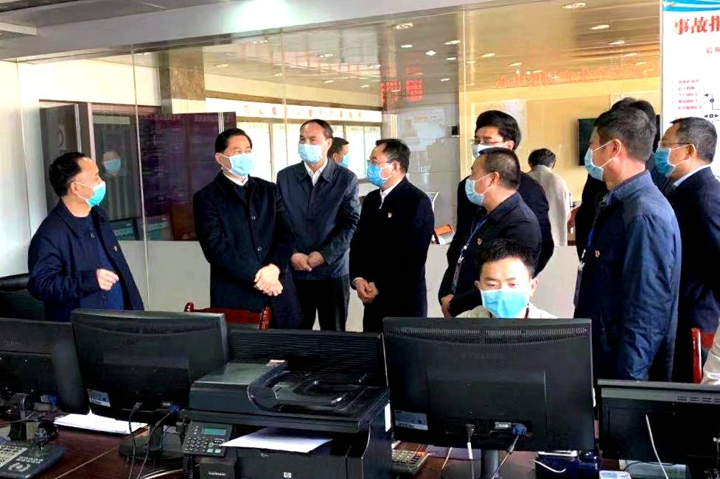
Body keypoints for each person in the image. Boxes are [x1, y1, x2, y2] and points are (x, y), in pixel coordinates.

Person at [574, 106, 681, 381]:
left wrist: (629, 385)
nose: (590, 154)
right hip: (603, 355)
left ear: (613, 148)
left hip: (622, 370)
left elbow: (647, 309)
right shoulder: (618, 202)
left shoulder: (643, 214)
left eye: (593, 145)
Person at [194, 128, 301, 328]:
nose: (244, 155)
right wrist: (259, 276)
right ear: (220, 158)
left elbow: (286, 235)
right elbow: (216, 249)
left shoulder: (269, 190)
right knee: (245, 346)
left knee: (288, 344)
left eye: (248, 150)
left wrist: (274, 269)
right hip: (237, 294)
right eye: (237, 151)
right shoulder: (207, 198)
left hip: (279, 289)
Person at [28, 152, 143, 321]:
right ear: (76, 188)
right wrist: (89, 280)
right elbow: (41, 285)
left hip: (122, 321)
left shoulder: (98, 216)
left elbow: (120, 268)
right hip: (85, 329)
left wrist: (137, 312)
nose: (101, 182)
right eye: (95, 177)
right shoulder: (50, 233)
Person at [277, 120, 360, 331]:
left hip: (332, 271)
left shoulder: (346, 179)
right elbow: (279, 221)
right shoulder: (285, 177)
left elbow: (351, 223)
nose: (306, 144)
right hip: (295, 270)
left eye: (313, 140)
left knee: (333, 335)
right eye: (302, 139)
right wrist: (292, 254)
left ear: (328, 143)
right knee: (295, 334)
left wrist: (324, 255)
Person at [439, 148, 542, 318]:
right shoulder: (482, 214)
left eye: (473, 174)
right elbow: (460, 256)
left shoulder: (520, 224)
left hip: (488, 318)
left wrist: (455, 304)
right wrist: (446, 295)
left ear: (493, 179)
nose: (469, 180)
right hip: (463, 312)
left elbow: (501, 279)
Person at [656, 117, 720, 382]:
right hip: (680, 316)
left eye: (666, 144)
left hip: (695, 322)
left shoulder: (705, 198)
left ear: (689, 151)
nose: (659, 151)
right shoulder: (680, 190)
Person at [349, 139, 434, 333]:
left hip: (403, 300)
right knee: (374, 347)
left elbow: (413, 256)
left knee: (402, 350)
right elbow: (359, 242)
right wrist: (358, 278)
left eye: (374, 162)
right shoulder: (371, 200)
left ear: (395, 166)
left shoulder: (416, 201)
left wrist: (379, 285)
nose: (370, 167)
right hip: (371, 299)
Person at [456, 111, 553, 274]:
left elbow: (542, 246)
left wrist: (517, 280)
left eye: (487, 141)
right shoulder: (468, 185)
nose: (479, 147)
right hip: (463, 279)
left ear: (508, 146)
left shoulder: (530, 190)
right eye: (477, 141)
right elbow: (460, 238)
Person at [575, 98, 668, 259]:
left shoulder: (645, 211)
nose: (591, 152)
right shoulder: (601, 175)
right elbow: (587, 214)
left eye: (593, 145)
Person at [459, 239, 556, 319]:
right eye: (492, 285)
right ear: (479, 287)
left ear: (532, 287)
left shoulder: (553, 329)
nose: (503, 292)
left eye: (513, 284)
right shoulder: (462, 324)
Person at [527, 148, 571, 247]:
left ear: (530, 163)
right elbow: (567, 213)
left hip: (528, 238)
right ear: (552, 164)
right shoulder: (559, 181)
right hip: (554, 238)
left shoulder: (523, 180)